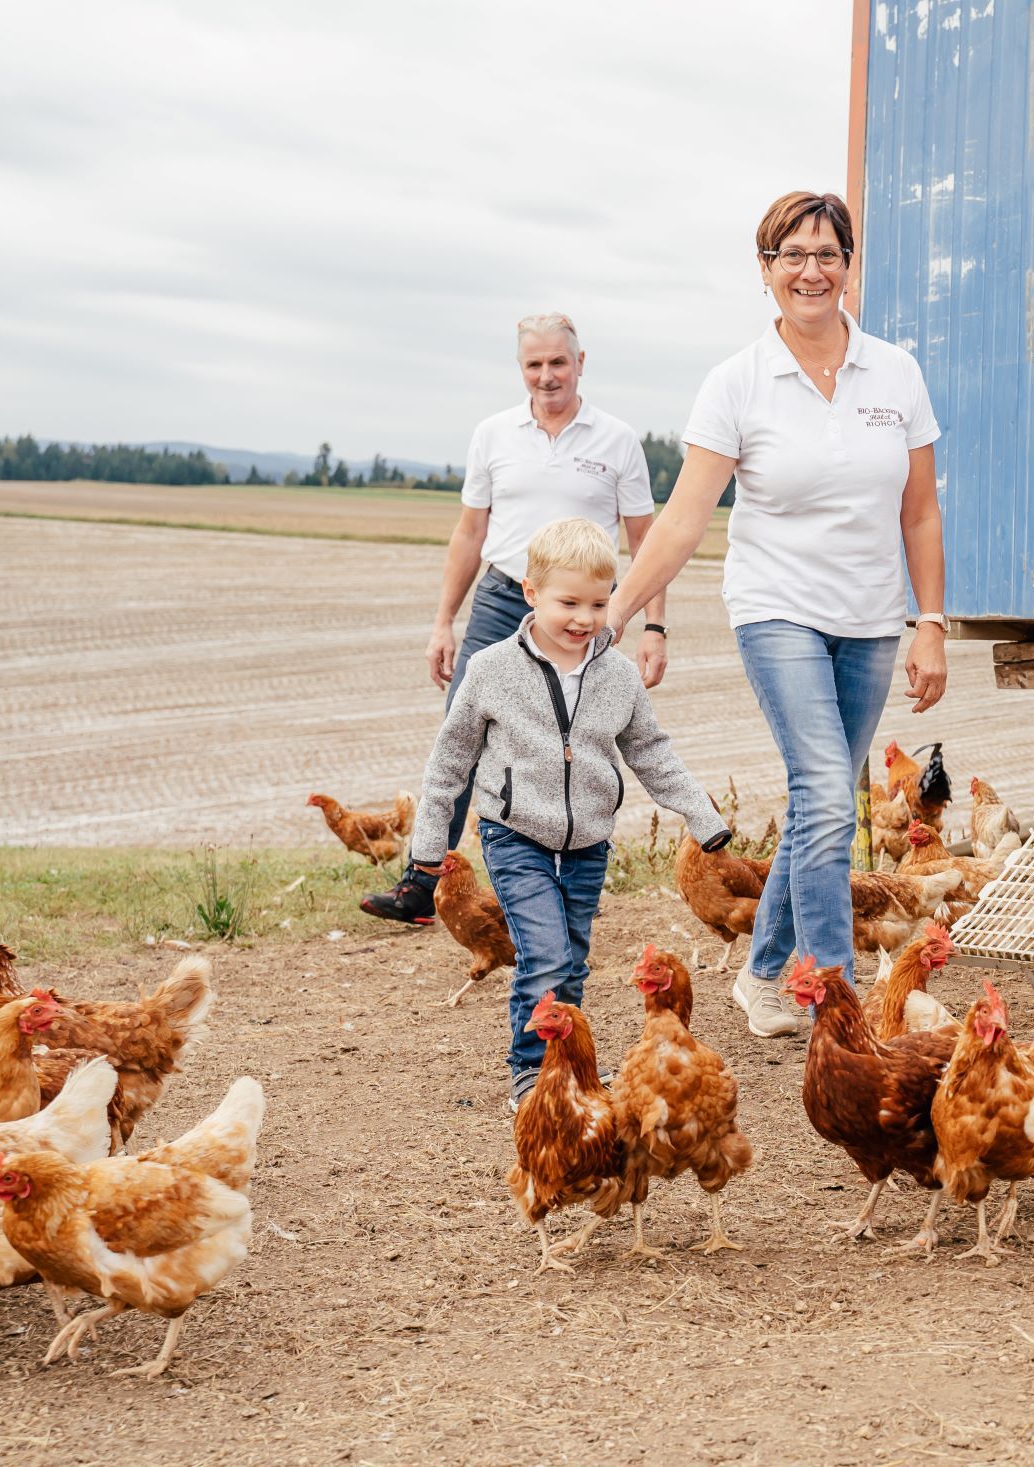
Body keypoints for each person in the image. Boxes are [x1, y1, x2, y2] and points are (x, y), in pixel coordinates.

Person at [603, 189, 949, 1039]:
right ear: (766, 271)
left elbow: (920, 511)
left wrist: (930, 619)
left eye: (827, 253)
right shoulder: (738, 383)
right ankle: (831, 996)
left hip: (870, 618)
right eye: (792, 255)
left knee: (819, 803)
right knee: (831, 793)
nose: (811, 270)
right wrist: (616, 610)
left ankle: (760, 972)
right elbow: (685, 516)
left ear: (848, 265)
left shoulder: (895, 372)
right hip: (776, 610)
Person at [406, 517, 729, 1110]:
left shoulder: (617, 676)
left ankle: (568, 1062)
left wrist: (700, 816)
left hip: (588, 843)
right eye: (569, 602)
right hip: (515, 836)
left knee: (573, 960)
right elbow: (449, 762)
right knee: (546, 954)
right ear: (531, 593)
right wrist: (428, 843)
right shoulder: (492, 670)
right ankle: (531, 1071)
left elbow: (651, 753)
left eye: (599, 604)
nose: (584, 618)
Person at [364, 312, 668, 925]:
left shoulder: (616, 441)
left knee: (574, 740)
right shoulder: (493, 434)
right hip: (503, 596)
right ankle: (425, 882)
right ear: (521, 369)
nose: (548, 375)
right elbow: (470, 531)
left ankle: (566, 877)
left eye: (559, 362)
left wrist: (653, 627)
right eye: (535, 364)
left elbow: (647, 540)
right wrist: (442, 621)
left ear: (581, 363)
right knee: (459, 733)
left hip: (581, 613)